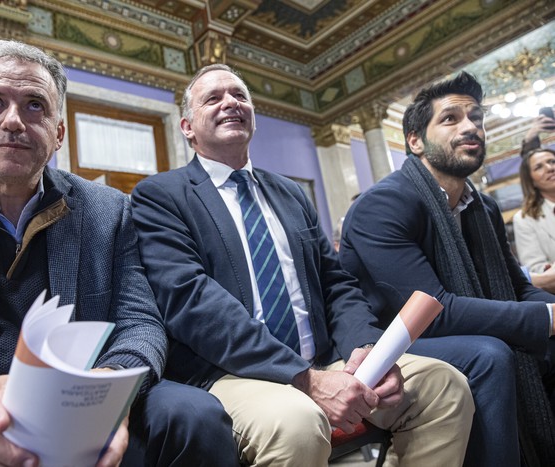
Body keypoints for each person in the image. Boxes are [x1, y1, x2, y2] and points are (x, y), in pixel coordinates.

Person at [0, 40, 237, 467]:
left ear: (58, 133)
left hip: (82, 410)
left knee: (196, 415)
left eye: (35, 105)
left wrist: (105, 391)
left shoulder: (110, 210)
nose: (14, 121)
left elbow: (139, 321)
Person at [131, 64, 474, 466]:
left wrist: (365, 351)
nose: (231, 103)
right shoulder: (160, 195)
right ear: (188, 127)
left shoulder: (289, 193)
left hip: (327, 360)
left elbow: (336, 284)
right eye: (214, 98)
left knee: (443, 385)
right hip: (233, 374)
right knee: (297, 423)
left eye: (240, 95)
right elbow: (191, 302)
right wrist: (305, 379)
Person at [339, 71, 555, 466]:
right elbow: (434, 311)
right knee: (489, 354)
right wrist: (547, 318)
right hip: (389, 345)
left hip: (449, 328)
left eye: (477, 117)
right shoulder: (382, 205)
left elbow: (516, 286)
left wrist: (549, 312)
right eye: (451, 118)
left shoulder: (483, 206)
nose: (471, 127)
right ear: (415, 141)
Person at [514, 148, 555, 293]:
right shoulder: (525, 219)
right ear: (532, 181)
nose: (550, 168)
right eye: (539, 167)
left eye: (552, 161)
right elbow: (538, 272)